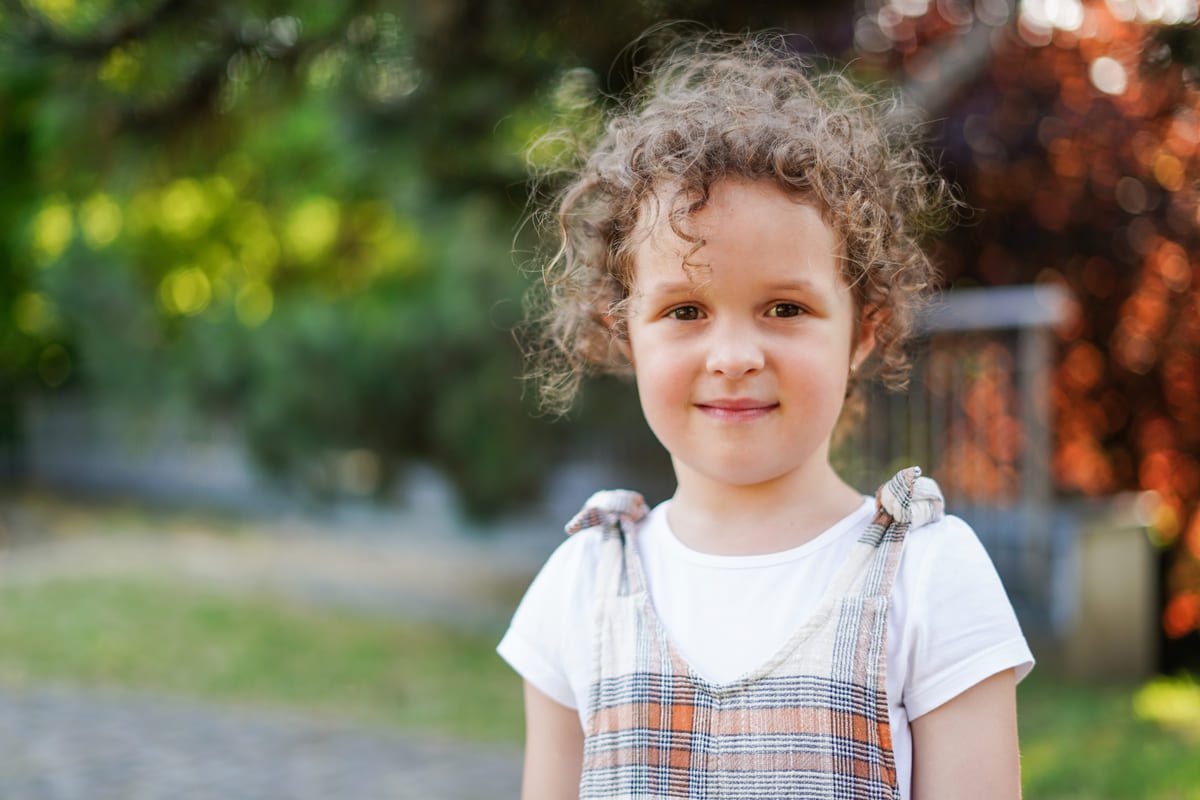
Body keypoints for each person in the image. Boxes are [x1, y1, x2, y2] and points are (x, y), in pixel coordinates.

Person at [498, 31, 1034, 800]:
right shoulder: (580, 588)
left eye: (785, 307)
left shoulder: (929, 576)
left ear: (864, 330)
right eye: (686, 309)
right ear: (626, 335)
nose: (734, 354)